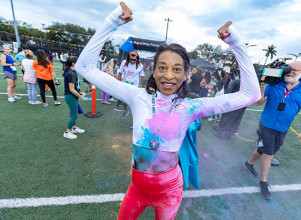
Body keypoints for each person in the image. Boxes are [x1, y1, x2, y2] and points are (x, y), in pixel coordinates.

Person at [75, 2, 260, 219]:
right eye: (162, 67)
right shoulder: (136, 96)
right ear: (153, 71)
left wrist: (236, 43)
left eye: (177, 69)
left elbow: (251, 94)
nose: (168, 75)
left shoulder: (191, 107)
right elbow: (84, 67)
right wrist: (113, 22)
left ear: (186, 75)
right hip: (137, 189)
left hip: (170, 192)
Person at [243, 61, 301, 200]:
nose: (291, 72)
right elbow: (258, 102)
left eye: (296, 70)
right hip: (266, 125)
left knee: (266, 149)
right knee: (268, 152)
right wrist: (264, 83)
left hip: (283, 128)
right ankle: (264, 181)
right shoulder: (273, 83)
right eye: (289, 69)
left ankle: (249, 164)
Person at [179, 92, 201, 189]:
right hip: (182, 147)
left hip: (182, 147)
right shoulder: (196, 116)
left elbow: (191, 128)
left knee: (180, 164)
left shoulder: (194, 117)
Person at [115, 50, 145, 119]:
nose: (132, 61)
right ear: (128, 58)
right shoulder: (124, 63)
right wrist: (119, 83)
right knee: (124, 101)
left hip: (134, 87)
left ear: (137, 58)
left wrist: (143, 87)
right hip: (125, 86)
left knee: (133, 104)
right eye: (131, 59)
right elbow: (120, 73)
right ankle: (125, 111)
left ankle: (133, 120)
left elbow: (142, 77)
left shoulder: (140, 65)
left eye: (134, 60)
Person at [63, 56, 87, 139]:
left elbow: (74, 87)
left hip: (72, 96)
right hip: (70, 96)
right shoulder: (71, 73)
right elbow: (71, 89)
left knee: (73, 114)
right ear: (73, 63)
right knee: (74, 115)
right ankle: (67, 132)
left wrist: (79, 92)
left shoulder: (72, 71)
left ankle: (74, 128)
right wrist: (81, 97)